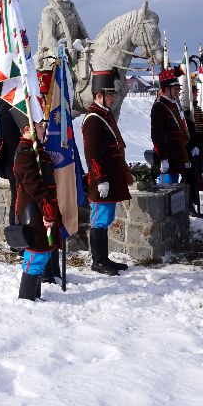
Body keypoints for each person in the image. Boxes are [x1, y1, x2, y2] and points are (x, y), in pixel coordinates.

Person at [81, 68, 132, 276]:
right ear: (99, 95)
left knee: (107, 217)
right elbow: (91, 153)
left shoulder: (105, 115)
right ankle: (98, 260)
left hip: (111, 176)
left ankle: (104, 258)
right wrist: (100, 178)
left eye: (113, 94)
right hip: (102, 178)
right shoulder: (93, 119)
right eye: (109, 94)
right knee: (99, 219)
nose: (113, 98)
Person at [12, 119, 63, 300]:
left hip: (41, 208)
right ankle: (26, 297)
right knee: (36, 254)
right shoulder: (25, 153)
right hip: (34, 211)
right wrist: (47, 208)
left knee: (43, 253)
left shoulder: (35, 150)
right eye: (40, 126)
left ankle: (35, 295)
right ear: (27, 128)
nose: (43, 129)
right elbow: (33, 186)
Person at [150, 67, 190, 185]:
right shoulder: (159, 106)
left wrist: (185, 156)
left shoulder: (173, 105)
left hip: (176, 155)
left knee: (175, 191)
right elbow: (157, 135)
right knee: (167, 191)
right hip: (167, 155)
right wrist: (163, 157)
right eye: (175, 88)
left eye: (178, 88)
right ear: (166, 89)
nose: (177, 91)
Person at [185, 77, 203, 218]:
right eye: (192, 91)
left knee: (196, 176)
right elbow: (187, 131)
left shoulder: (196, 107)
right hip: (190, 147)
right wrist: (192, 145)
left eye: (195, 91)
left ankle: (192, 203)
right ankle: (189, 204)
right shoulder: (187, 110)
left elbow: (201, 127)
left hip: (199, 146)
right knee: (189, 178)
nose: (195, 94)